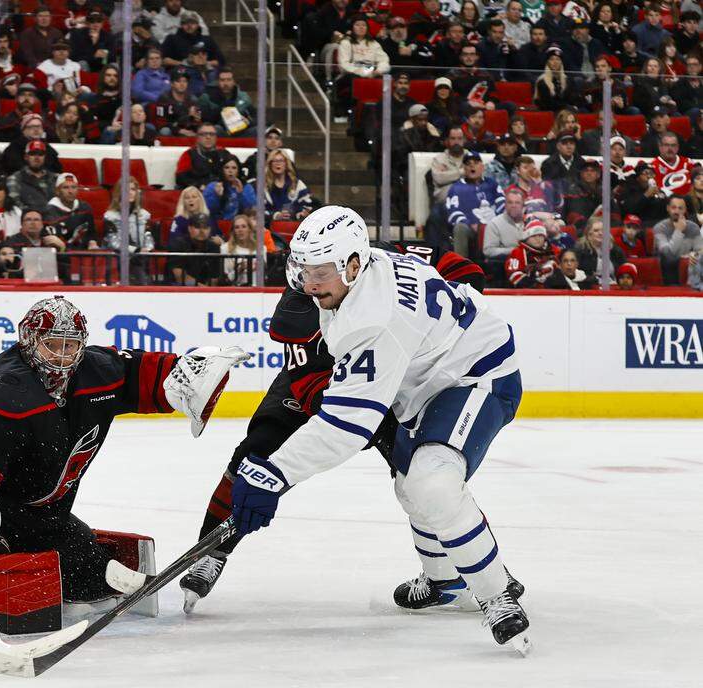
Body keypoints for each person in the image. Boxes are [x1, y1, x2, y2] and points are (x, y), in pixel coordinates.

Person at [223, 207, 529, 652]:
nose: (309, 284)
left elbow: (347, 426)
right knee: (409, 486)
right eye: (303, 270)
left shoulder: (373, 319)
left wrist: (274, 473)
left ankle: (495, 594)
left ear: (351, 264)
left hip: (477, 375)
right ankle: (445, 582)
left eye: (320, 272)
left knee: (433, 481)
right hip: (427, 377)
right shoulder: (367, 270)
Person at [0, 295, 244, 627]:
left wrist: (193, 372)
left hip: (43, 513)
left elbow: (146, 374)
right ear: (30, 341)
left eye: (71, 345)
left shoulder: (96, 371)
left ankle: (79, 568)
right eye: (53, 344)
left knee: (87, 575)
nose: (63, 356)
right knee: (9, 554)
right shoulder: (4, 387)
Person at [446, 151, 505, 259]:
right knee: (459, 228)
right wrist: (469, 224)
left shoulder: (492, 183)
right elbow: (453, 212)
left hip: (493, 227)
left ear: (482, 167)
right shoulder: (456, 188)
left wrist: (495, 223)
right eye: (468, 164)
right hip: (471, 229)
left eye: (476, 163)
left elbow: (502, 203)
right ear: (464, 168)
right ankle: (461, 268)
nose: (472, 166)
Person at [242, 149, 316, 224]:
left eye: (281, 160)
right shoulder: (260, 185)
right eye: (274, 161)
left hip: (292, 225)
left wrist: (300, 214)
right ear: (270, 164)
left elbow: (307, 205)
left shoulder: (297, 184)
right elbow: (255, 210)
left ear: (286, 164)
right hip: (267, 226)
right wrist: (276, 215)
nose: (278, 163)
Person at [653, 195, 703, 283]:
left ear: (685, 210)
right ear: (668, 208)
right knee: (669, 261)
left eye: (680, 208)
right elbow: (667, 253)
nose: (677, 211)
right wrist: (679, 231)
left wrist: (694, 255)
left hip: (689, 268)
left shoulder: (693, 227)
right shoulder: (659, 228)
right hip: (666, 269)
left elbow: (700, 249)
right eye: (673, 207)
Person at [43, 173, 98, 252]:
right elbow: (51, 243)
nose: (70, 191)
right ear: (57, 191)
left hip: (84, 255)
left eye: (73, 187)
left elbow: (91, 234)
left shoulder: (85, 208)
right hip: (62, 256)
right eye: (65, 187)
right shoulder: (49, 212)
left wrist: (92, 243)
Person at [168, 212, 221, 285]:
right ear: (189, 229)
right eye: (197, 227)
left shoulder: (214, 247)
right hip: (179, 289)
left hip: (205, 290)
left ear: (210, 230)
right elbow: (179, 276)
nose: (202, 231)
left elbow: (215, 277)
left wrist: (207, 290)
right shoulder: (178, 244)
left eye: (205, 227)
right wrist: (201, 289)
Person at [6, 141, 59, 212]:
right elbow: (15, 204)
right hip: (28, 219)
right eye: (33, 154)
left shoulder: (56, 178)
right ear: (26, 157)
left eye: (41, 154)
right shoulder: (14, 178)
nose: (37, 157)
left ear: (44, 157)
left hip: (55, 218)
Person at [482, 186, 526, 266]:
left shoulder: (530, 222)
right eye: (510, 202)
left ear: (523, 206)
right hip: (504, 264)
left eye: (517, 203)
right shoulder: (494, 224)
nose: (513, 205)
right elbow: (488, 251)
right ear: (505, 205)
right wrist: (515, 251)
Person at [571, 216, 624, 282]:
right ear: (589, 234)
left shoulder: (615, 251)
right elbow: (575, 273)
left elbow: (624, 272)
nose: (600, 233)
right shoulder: (580, 250)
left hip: (613, 285)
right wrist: (595, 280)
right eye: (596, 230)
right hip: (589, 287)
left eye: (603, 230)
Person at [204, 156, 248, 222]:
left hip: (238, 225)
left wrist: (240, 194)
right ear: (222, 170)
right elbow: (206, 210)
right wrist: (217, 196)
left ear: (238, 170)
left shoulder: (246, 187)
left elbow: (250, 211)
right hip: (216, 224)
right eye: (227, 168)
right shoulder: (212, 186)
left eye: (234, 168)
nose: (230, 171)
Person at [220, 213, 260, 285]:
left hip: (258, 290)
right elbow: (226, 279)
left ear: (249, 229)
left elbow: (264, 276)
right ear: (233, 231)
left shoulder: (260, 249)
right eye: (237, 227)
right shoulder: (225, 248)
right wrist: (239, 269)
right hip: (235, 290)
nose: (240, 230)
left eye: (244, 226)